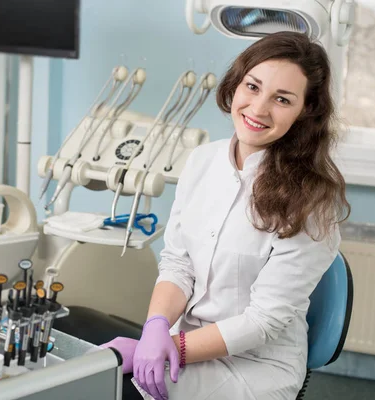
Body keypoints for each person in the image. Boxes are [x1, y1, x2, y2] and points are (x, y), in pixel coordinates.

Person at [101, 31, 351, 400]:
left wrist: (167, 349)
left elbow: (262, 321)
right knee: (78, 373)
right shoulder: (203, 160)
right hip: (183, 341)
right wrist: (155, 327)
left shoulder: (312, 200)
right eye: (252, 87)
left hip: (254, 367)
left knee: (102, 389)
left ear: (305, 112)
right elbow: (177, 263)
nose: (259, 108)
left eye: (282, 99)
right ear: (235, 85)